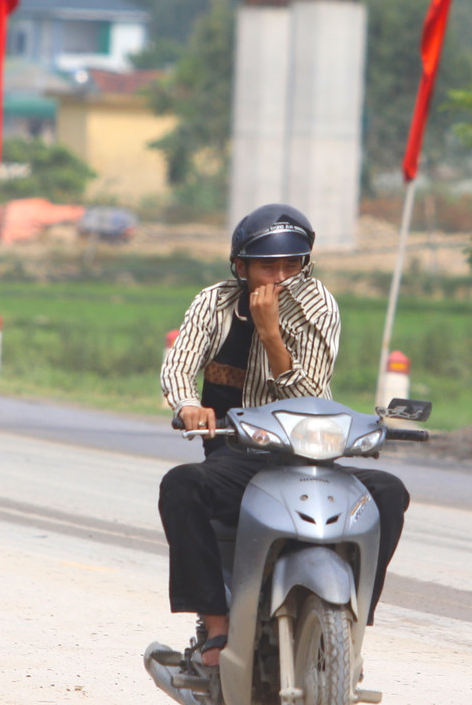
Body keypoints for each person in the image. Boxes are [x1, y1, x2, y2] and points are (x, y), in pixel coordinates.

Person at [158, 203, 409, 668]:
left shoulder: (318, 304)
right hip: (238, 456)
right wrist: (188, 405)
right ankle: (216, 627)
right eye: (267, 265)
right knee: (181, 486)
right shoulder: (213, 302)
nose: (279, 275)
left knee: (389, 494)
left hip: (308, 458)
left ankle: (351, 623)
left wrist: (272, 335)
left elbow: (311, 393)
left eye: (291, 264)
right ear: (241, 266)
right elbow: (179, 365)